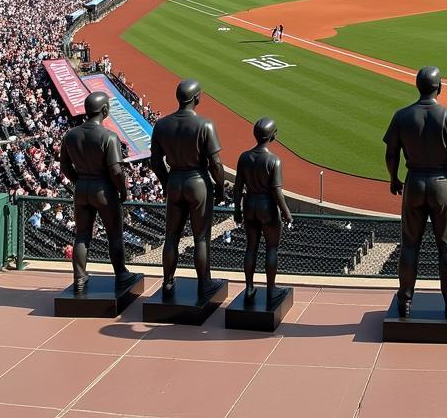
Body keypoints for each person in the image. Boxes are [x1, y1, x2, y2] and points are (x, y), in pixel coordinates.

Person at [384, 66, 447, 319]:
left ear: (417, 86)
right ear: (440, 87)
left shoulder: (402, 116)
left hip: (413, 182)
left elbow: (391, 153)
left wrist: (394, 178)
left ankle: (405, 300)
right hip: (441, 184)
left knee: (409, 245)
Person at [150, 79, 227, 296]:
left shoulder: (162, 124)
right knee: (200, 237)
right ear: (196, 98)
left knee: (171, 236)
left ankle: (167, 282)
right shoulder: (205, 125)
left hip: (175, 180)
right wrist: (220, 188)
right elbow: (216, 164)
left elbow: (155, 162)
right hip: (198, 182)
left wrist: (167, 183)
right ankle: (204, 283)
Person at [59, 91, 135, 294]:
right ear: (104, 110)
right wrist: (122, 191)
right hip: (104, 190)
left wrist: (78, 180)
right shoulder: (109, 136)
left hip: (82, 188)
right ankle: (121, 274)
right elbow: (116, 170)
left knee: (82, 236)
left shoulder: (71, 134)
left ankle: (80, 279)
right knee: (114, 236)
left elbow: (64, 166)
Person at [233, 116, 294, 303]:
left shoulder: (244, 157)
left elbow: (237, 187)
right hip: (267, 207)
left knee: (250, 247)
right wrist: (286, 212)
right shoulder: (273, 160)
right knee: (271, 248)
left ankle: (249, 287)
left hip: (249, 205)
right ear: (272, 136)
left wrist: (237, 210)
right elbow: (276, 191)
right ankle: (271, 289)